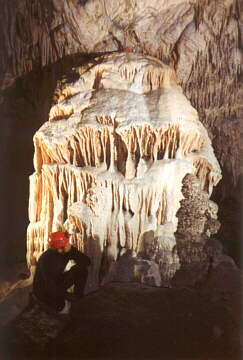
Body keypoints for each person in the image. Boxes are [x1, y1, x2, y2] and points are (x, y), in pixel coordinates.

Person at [32, 231, 91, 313]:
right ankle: (47, 305)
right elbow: (50, 286)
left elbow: (87, 261)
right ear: (60, 249)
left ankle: (78, 297)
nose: (69, 244)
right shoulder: (47, 260)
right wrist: (68, 296)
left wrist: (75, 259)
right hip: (44, 291)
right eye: (67, 243)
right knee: (59, 307)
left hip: (56, 282)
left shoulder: (66, 252)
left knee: (81, 270)